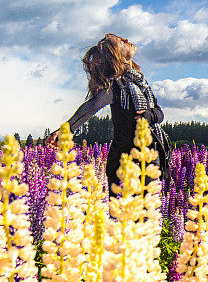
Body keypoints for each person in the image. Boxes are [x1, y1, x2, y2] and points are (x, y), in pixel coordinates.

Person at [45, 33, 171, 197]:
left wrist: (149, 115)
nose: (127, 40)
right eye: (121, 42)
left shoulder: (140, 84)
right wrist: (65, 129)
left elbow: (160, 114)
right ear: (117, 55)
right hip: (124, 161)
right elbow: (91, 106)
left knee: (148, 216)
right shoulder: (115, 86)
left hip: (151, 157)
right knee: (123, 218)